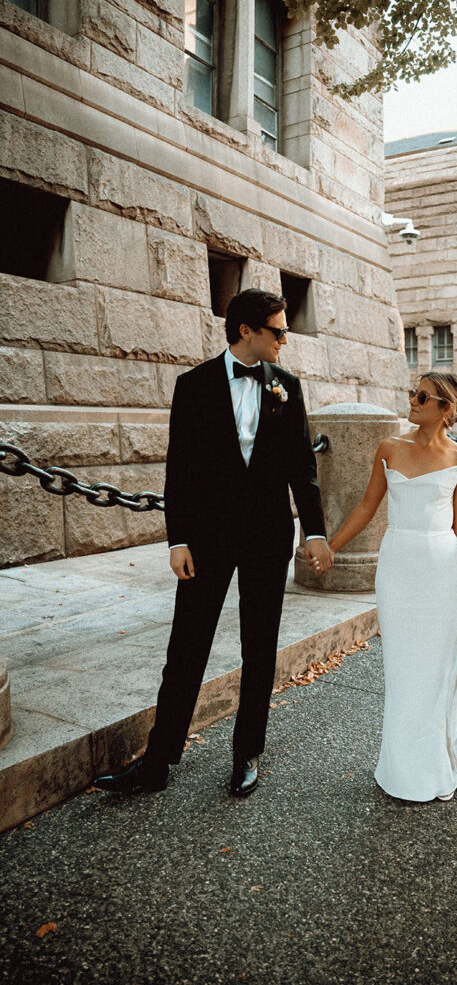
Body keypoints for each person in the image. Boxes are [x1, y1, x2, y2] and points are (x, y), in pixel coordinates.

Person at [94, 289, 332, 798]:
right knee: (186, 647)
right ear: (246, 330)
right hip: (207, 540)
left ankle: (247, 753)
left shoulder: (286, 387)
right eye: (277, 330)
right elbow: (179, 469)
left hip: (268, 538)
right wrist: (176, 539)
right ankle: (157, 764)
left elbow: (302, 469)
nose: (285, 339)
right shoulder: (194, 385)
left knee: (259, 645)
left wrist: (314, 532)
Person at [323, 372, 457, 802]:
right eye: (412, 392)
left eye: (422, 396)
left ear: (445, 408)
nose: (412, 400)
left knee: (435, 674)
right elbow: (367, 506)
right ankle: (398, 767)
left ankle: (432, 768)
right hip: (397, 571)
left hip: (441, 574)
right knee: (402, 673)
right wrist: (330, 548)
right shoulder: (390, 447)